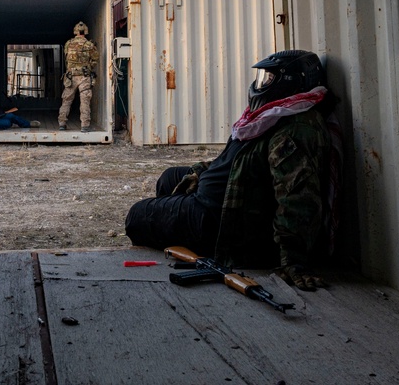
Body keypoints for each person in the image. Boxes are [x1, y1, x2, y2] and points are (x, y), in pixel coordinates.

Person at [124, 50, 341, 292]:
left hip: (223, 218)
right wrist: (200, 172)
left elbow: (297, 199)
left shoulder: (296, 130)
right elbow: (233, 160)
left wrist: (293, 261)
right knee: (169, 178)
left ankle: (193, 235)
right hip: (225, 193)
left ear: (292, 82)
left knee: (136, 216)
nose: (261, 84)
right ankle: (178, 225)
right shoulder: (278, 114)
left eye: (269, 78)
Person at [58, 21, 99, 132]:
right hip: (84, 76)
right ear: (85, 31)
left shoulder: (68, 43)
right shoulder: (89, 45)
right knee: (85, 101)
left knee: (66, 100)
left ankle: (62, 123)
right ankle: (84, 126)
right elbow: (95, 59)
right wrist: (88, 67)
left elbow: (66, 59)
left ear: (75, 31)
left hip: (71, 76)